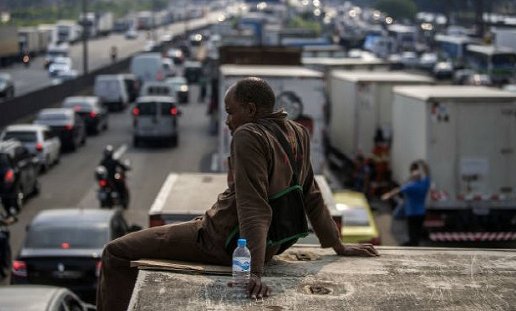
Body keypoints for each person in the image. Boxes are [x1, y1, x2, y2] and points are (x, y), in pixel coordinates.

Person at [96, 77, 379, 310]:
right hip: (270, 246)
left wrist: (253, 272)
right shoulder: (298, 132)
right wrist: (337, 245)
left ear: (251, 110)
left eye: (231, 112)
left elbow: (254, 207)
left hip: (219, 241)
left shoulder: (249, 136)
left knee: (116, 252)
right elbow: (312, 195)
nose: (228, 121)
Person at [381, 159, 430, 246]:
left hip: (412, 213)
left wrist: (388, 195)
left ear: (413, 177)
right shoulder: (424, 184)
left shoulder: (411, 186)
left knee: (412, 231)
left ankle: (412, 245)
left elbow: (398, 190)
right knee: (417, 230)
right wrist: (424, 164)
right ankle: (416, 243)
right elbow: (427, 173)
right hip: (421, 212)